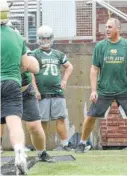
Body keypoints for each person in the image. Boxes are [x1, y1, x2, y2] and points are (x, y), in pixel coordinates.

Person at [75, 18, 127, 153]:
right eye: (106, 27)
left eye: (110, 27)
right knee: (91, 115)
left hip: (124, 89)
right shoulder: (100, 46)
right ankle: (82, 143)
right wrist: (94, 91)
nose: (107, 30)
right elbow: (94, 69)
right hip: (104, 90)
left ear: (118, 29)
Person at [1, 1, 39, 174]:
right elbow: (25, 64)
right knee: (14, 123)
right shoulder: (17, 36)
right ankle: (19, 153)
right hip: (12, 83)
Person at [32, 25, 73, 151]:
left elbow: (69, 66)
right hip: (42, 93)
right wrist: (36, 90)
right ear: (39, 39)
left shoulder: (58, 54)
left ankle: (65, 145)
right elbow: (30, 73)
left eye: (47, 38)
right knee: (42, 121)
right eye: (42, 38)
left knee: (60, 119)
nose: (45, 41)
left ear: (52, 38)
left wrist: (64, 80)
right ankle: (41, 147)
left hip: (57, 92)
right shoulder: (34, 54)